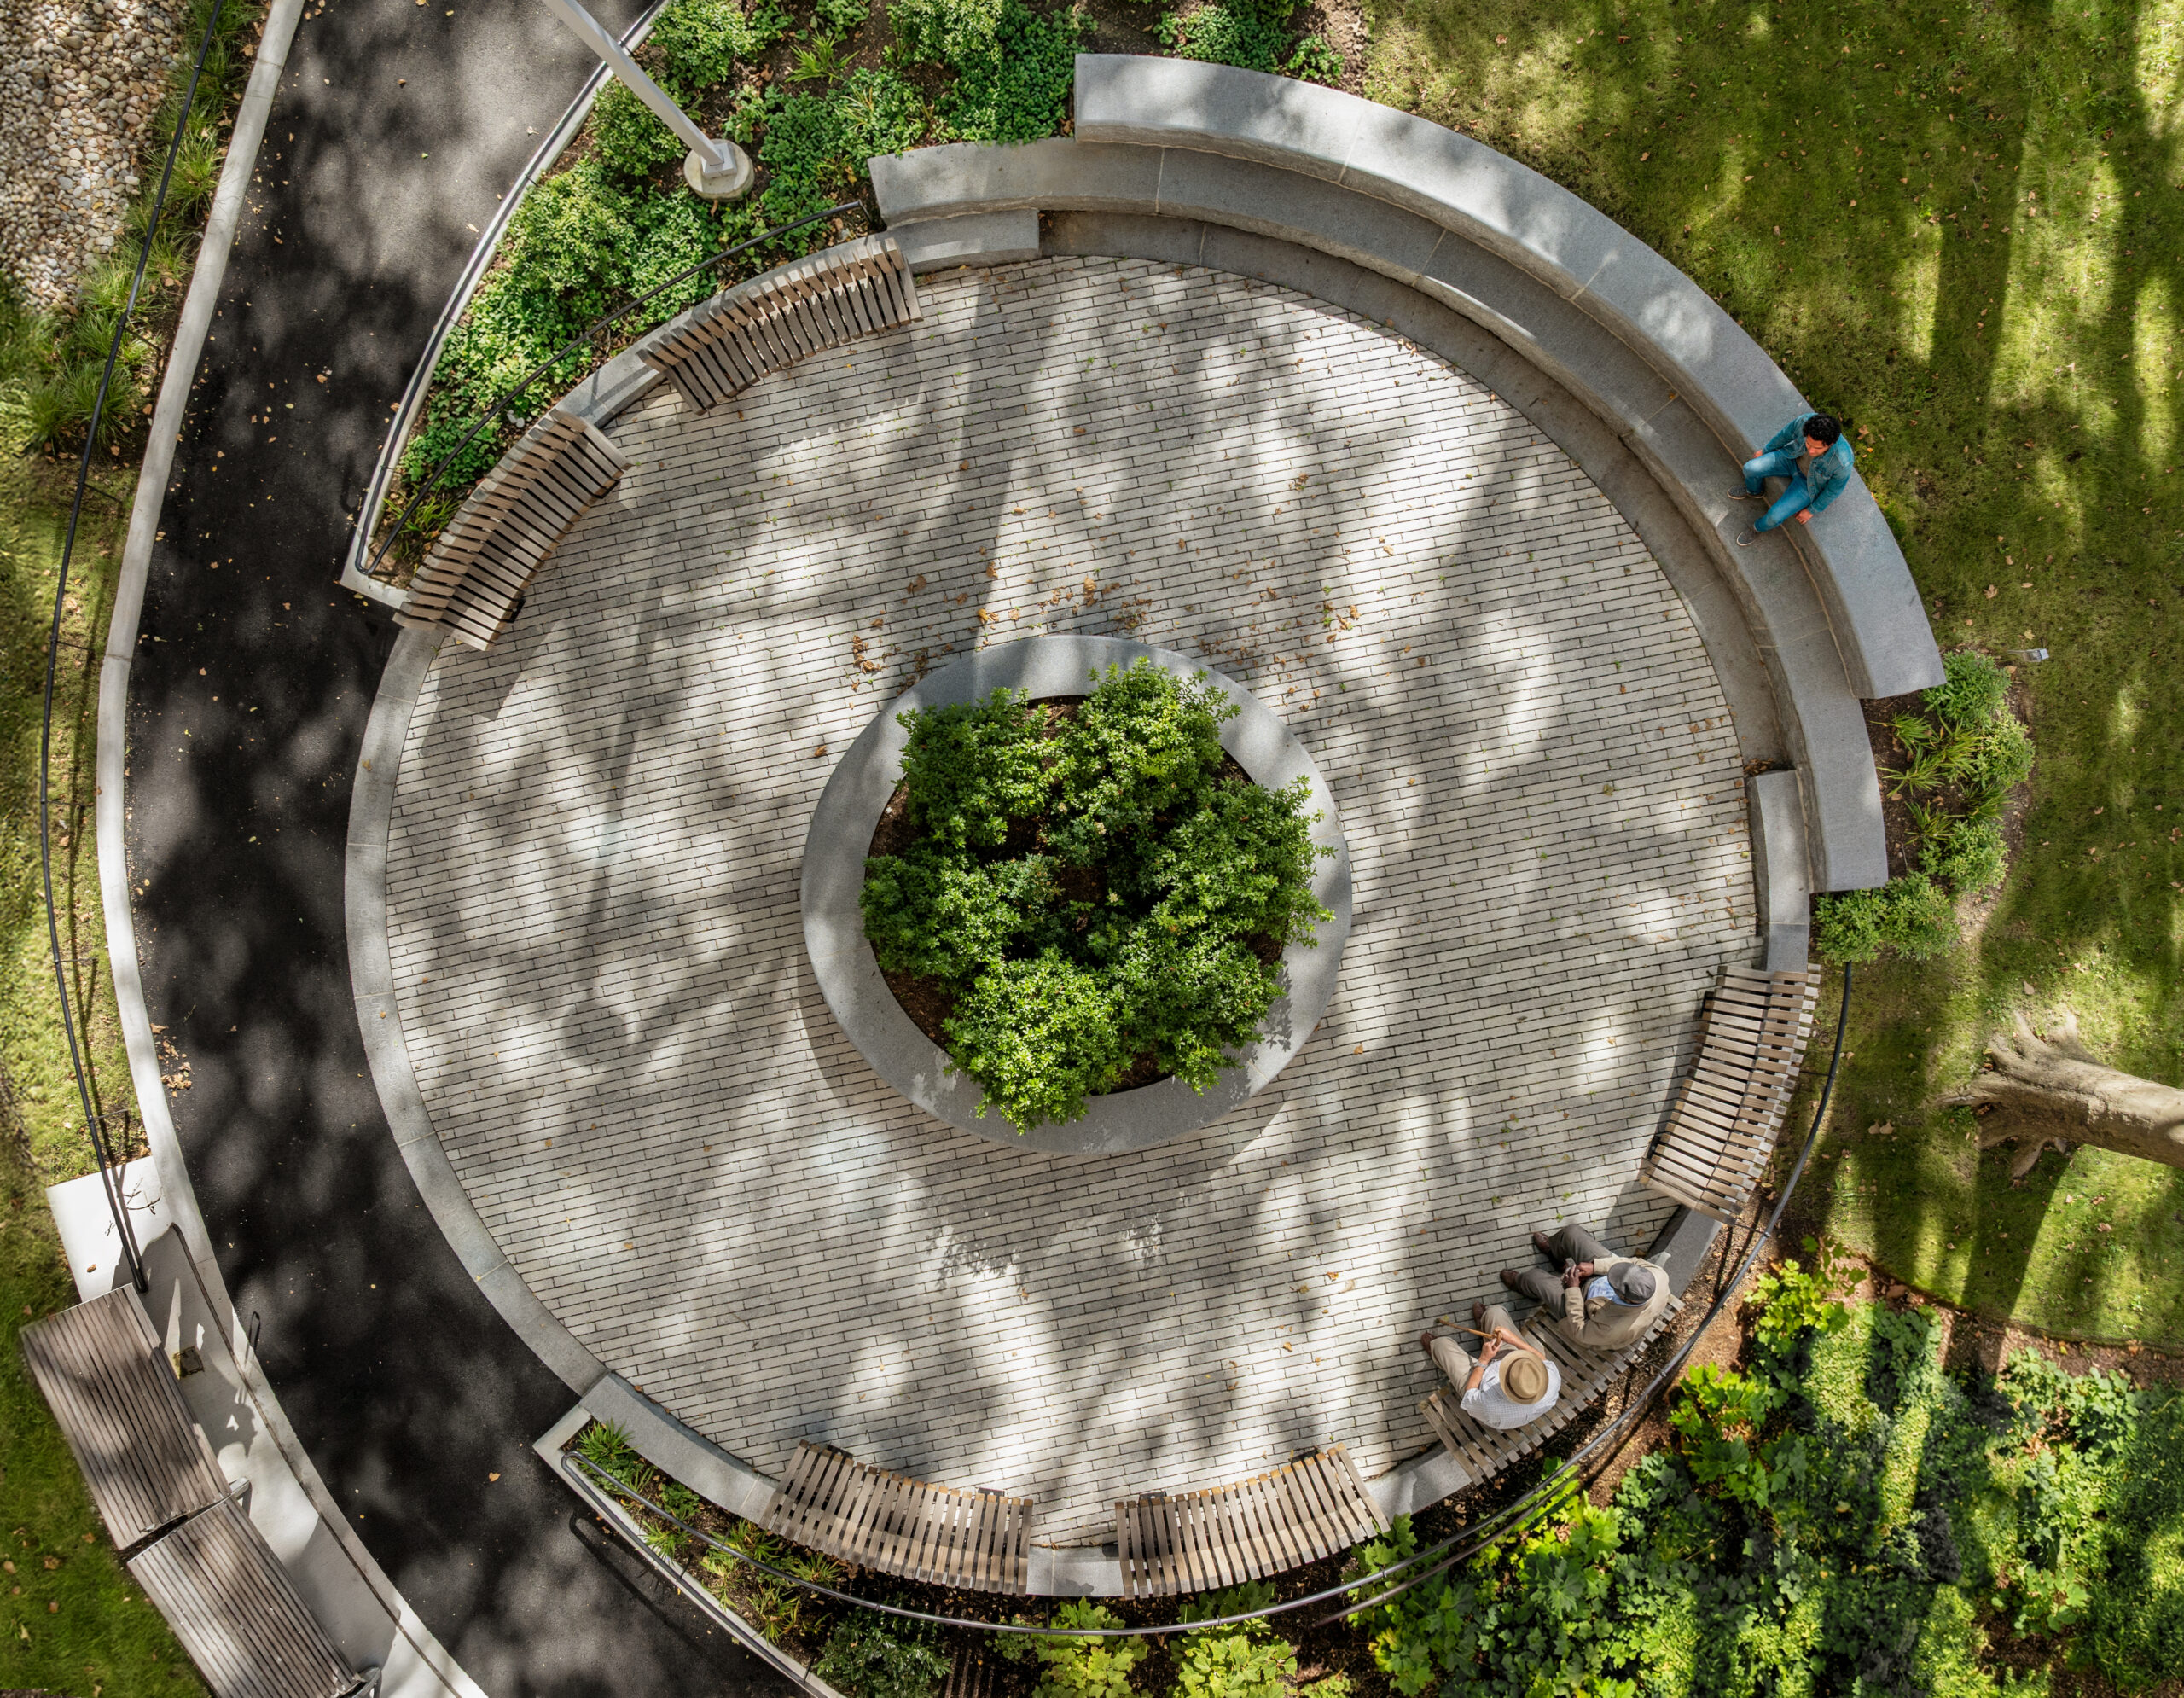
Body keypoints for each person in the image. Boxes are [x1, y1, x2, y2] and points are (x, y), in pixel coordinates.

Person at [1501, 1224, 1671, 1350]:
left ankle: (1522, 1285)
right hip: (1596, 1281)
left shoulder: (1611, 1327)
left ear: (1624, 1297)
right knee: (1572, 1233)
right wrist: (1595, 1267)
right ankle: (1555, 1254)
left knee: (1534, 1278)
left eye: (1614, 1282)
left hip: (1583, 1312)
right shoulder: (1659, 1275)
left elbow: (1580, 1331)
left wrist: (1573, 1289)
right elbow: (1631, 1263)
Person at [1418, 1300, 1560, 1431]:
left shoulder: (1490, 1408)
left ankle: (1435, 1349)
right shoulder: (1551, 1381)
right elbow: (1542, 1360)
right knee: (1495, 1312)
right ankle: (1484, 1325)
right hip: (1511, 1362)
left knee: (1443, 1346)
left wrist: (1484, 1360)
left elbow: (1470, 1394)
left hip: (1479, 1382)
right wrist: (1513, 1340)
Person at [1731, 411, 1855, 548]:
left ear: (1831, 444)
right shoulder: (1804, 421)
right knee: (1750, 468)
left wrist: (1812, 510)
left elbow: (1834, 490)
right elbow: (1784, 435)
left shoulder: (1842, 462)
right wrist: (1765, 451)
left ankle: (1756, 528)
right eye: (1808, 444)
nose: (1811, 451)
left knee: (1774, 516)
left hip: (1808, 483)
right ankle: (1754, 491)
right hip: (1790, 458)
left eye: (1817, 448)